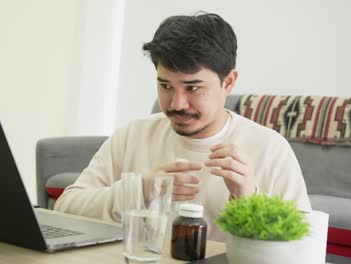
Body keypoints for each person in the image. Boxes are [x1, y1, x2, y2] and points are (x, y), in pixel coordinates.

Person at [54, 12, 311, 241]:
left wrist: (249, 199)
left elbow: (303, 246)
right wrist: (140, 189)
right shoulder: (133, 135)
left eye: (193, 88)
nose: (177, 104)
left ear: (229, 82)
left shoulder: (270, 149)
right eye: (165, 86)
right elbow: (66, 207)